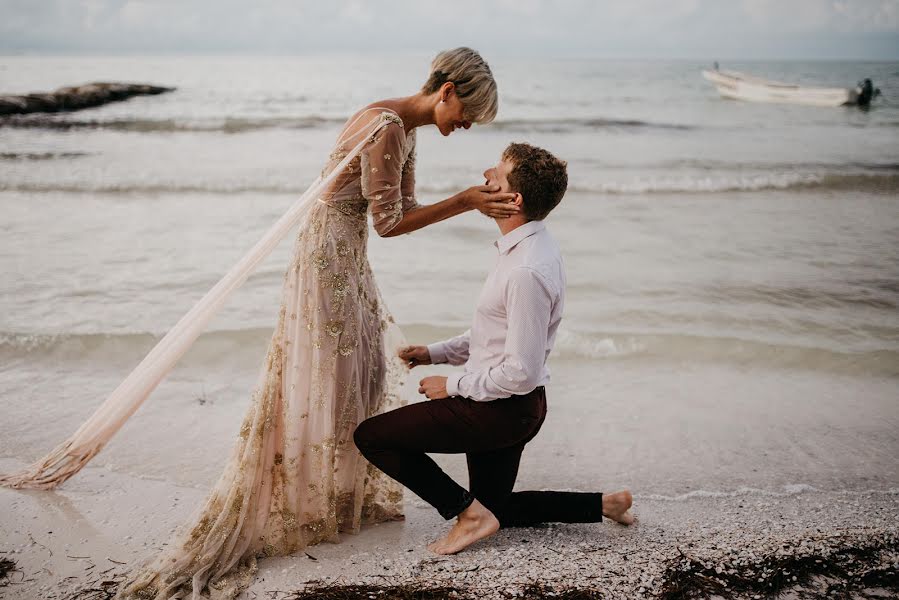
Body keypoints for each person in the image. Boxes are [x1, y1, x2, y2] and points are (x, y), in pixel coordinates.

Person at [63, 47, 514, 599]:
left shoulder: (401, 125)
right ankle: (320, 500)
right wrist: (468, 200)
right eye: (467, 111)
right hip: (330, 258)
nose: (467, 125)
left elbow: (401, 209)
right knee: (341, 378)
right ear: (446, 90)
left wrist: (463, 202)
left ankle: (338, 496)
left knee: (363, 375)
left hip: (345, 254)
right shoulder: (389, 125)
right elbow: (391, 223)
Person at [354, 143, 634, 556]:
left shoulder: (525, 271)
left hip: (497, 410)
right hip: (513, 406)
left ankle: (466, 515)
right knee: (496, 506)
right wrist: (434, 353)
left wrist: (451, 384)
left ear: (513, 199)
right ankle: (604, 504)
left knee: (372, 437)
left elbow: (520, 369)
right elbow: (493, 333)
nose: (486, 173)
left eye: (497, 174)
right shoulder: (529, 247)